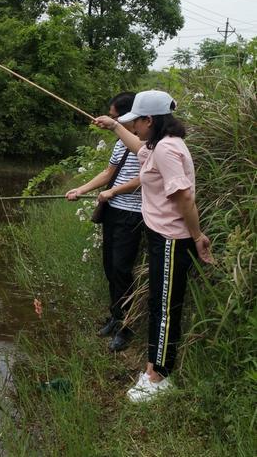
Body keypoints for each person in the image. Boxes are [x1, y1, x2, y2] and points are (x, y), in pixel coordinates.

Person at [95, 90, 212, 402]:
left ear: (150, 120)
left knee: (164, 309)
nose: (134, 127)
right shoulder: (157, 145)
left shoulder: (167, 150)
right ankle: (154, 367)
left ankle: (157, 377)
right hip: (161, 236)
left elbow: (185, 196)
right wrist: (114, 126)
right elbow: (138, 149)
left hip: (172, 239)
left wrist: (197, 237)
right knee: (160, 304)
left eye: (136, 122)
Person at [66, 92, 143, 351]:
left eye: (115, 117)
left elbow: (146, 176)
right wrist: (81, 190)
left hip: (133, 215)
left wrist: (114, 191)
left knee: (122, 269)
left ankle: (127, 327)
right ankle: (116, 315)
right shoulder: (121, 142)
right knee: (110, 267)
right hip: (112, 211)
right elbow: (109, 172)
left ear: (131, 116)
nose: (112, 121)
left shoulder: (148, 142)